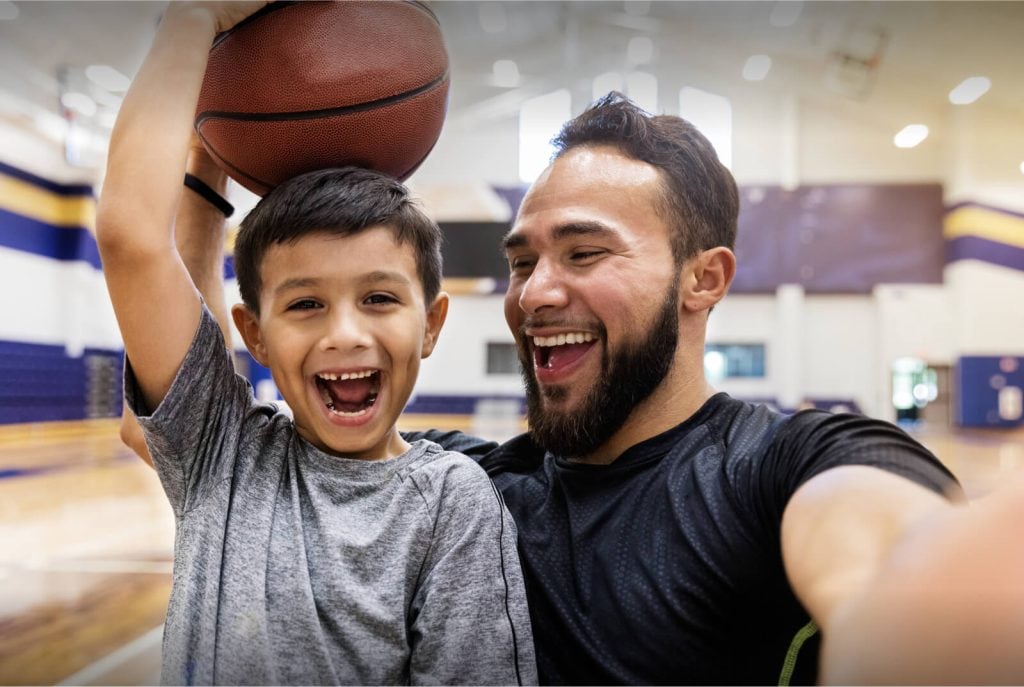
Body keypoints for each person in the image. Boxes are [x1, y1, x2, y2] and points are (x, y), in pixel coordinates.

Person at [123, 85, 989, 682]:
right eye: (523, 260)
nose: (536, 291)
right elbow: (194, 407)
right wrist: (207, 189)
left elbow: (889, 559)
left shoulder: (781, 465)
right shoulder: (463, 484)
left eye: (584, 252)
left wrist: (916, 616)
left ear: (705, 278)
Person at [97, 3, 535, 685]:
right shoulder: (222, 454)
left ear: (433, 323)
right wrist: (196, 21)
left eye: (380, 297)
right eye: (305, 304)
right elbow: (131, 233)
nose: (345, 333)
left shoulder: (453, 502)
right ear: (255, 335)